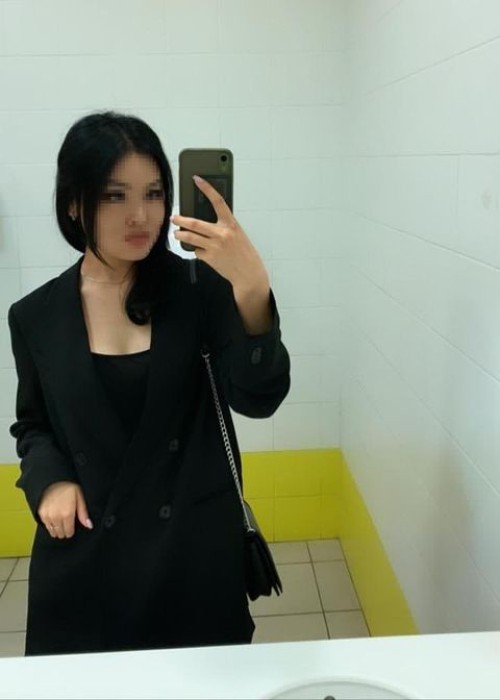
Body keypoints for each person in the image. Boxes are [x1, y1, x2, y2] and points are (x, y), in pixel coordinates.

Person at [8, 111, 290, 656]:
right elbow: (33, 423)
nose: (141, 215)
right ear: (74, 203)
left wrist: (253, 291)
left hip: (190, 555)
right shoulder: (35, 316)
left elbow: (259, 398)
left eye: (154, 193)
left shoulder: (200, 289)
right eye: (114, 196)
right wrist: (49, 481)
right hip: (86, 558)